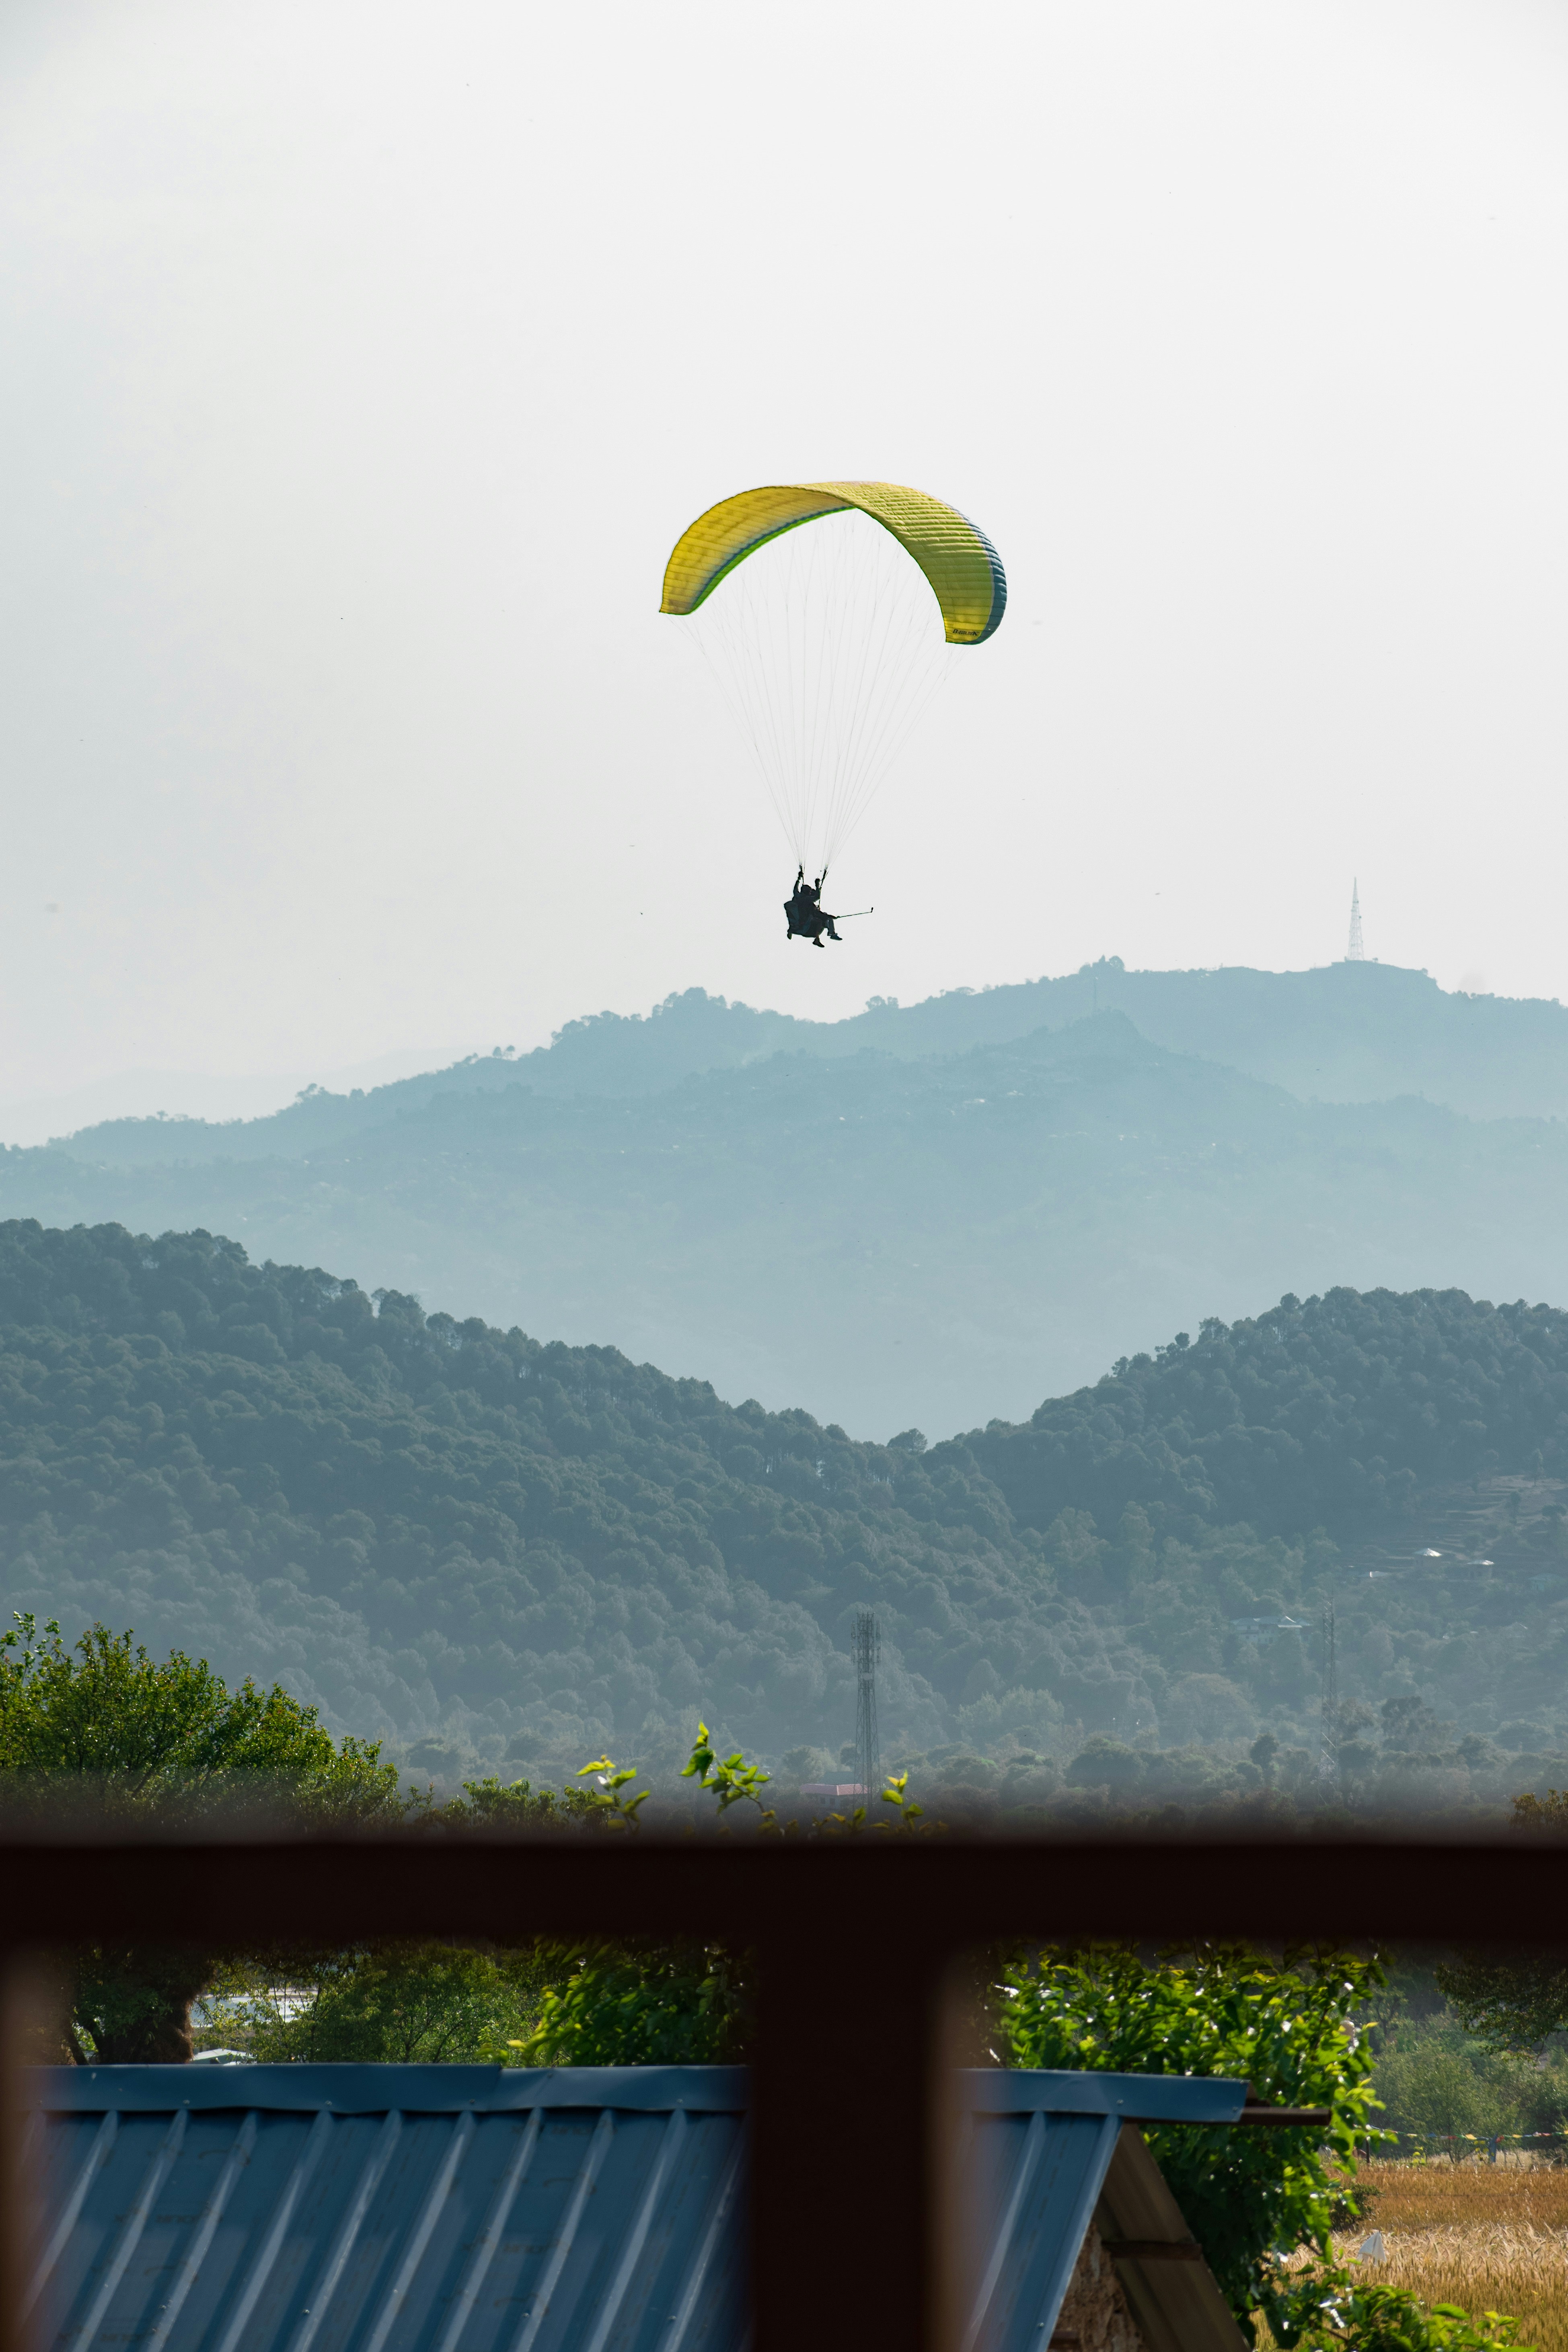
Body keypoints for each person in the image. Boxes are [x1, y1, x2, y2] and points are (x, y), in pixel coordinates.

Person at [784, 864, 842, 947]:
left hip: (800, 926)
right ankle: (824, 937)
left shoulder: (797, 896)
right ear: (808, 893)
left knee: (825, 917)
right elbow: (817, 898)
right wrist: (818, 886)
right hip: (806, 927)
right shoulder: (806, 900)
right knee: (823, 920)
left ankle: (792, 930)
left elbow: (795, 889)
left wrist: (799, 878)